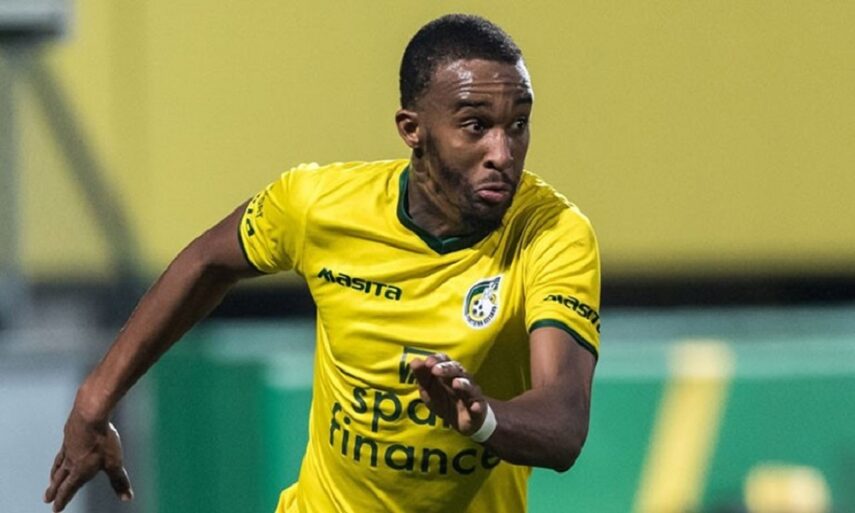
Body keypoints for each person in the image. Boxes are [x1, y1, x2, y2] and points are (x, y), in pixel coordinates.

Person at [44, 13, 600, 513]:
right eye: (476, 126)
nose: (502, 153)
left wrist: (484, 419)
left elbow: (564, 420)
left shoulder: (551, 234)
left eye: (518, 124)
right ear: (412, 129)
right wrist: (94, 401)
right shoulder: (318, 206)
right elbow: (208, 262)